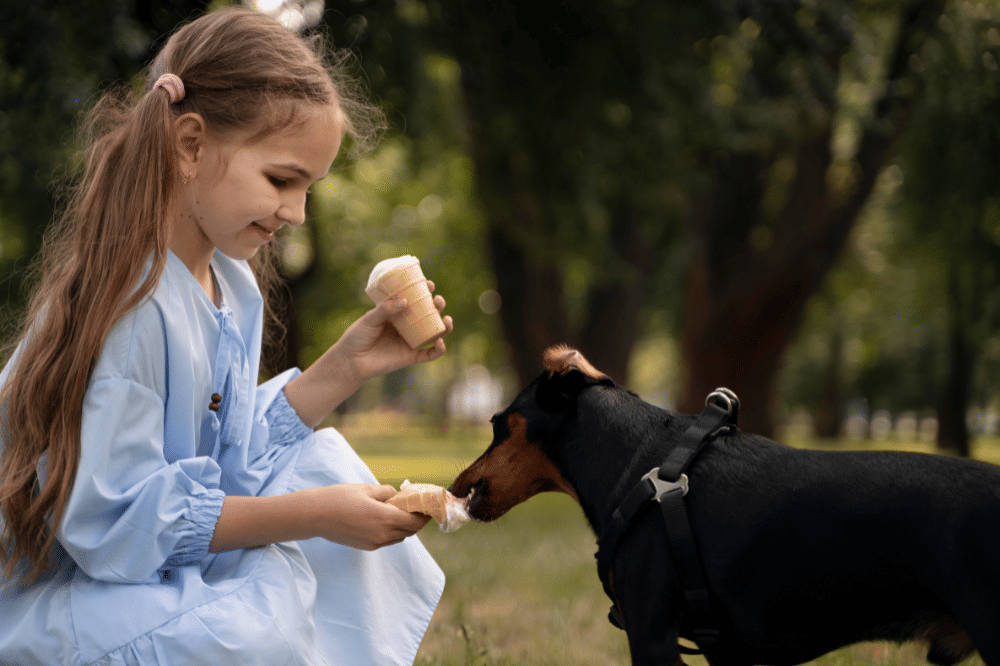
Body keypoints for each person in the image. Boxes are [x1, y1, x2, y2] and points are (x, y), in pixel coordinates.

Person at [0, 7, 453, 665]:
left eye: (308, 189)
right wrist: (317, 515)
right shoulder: (130, 305)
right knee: (257, 629)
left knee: (325, 471)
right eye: (281, 180)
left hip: (134, 573)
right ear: (190, 145)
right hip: (55, 593)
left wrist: (347, 366)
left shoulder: (232, 286)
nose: (297, 213)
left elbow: (227, 461)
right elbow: (114, 525)